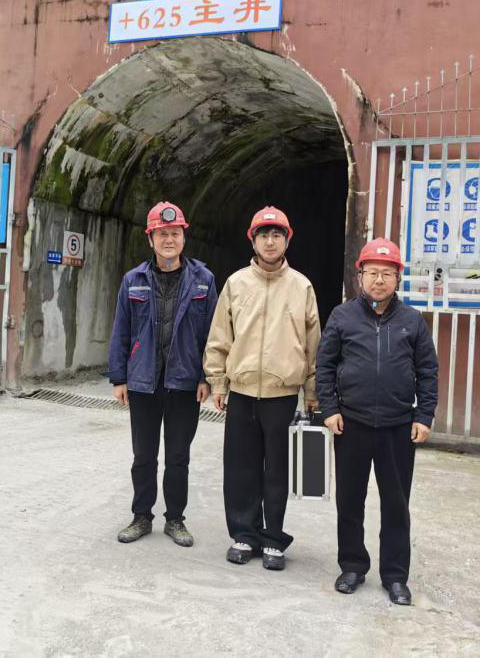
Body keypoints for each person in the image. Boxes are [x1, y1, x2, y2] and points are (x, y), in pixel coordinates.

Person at [315, 238, 438, 606]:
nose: (379, 280)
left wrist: (424, 415)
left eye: (387, 273)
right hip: (351, 424)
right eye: (372, 273)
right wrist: (330, 409)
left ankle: (396, 576)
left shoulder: (412, 321)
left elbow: (428, 371)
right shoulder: (342, 316)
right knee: (350, 501)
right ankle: (352, 566)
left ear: (398, 278)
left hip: (398, 426)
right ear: (360, 276)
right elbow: (325, 366)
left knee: (396, 505)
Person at [203, 206, 321, 571]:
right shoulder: (236, 284)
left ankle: (273, 538)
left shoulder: (301, 286)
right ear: (253, 242)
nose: (270, 242)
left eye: (277, 235)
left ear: (287, 240)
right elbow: (220, 337)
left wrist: (312, 391)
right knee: (241, 468)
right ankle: (244, 534)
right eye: (263, 236)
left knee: (278, 470)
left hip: (282, 394)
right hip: (241, 392)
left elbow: (314, 345)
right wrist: (218, 381)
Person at [108, 201, 217, 547]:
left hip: (184, 383)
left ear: (184, 237)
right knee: (143, 456)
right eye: (162, 234)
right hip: (143, 382)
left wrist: (207, 377)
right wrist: (119, 378)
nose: (169, 240)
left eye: (175, 233)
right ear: (150, 239)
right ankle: (141, 516)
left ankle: (175, 520)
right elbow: (121, 330)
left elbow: (212, 335)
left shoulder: (203, 280)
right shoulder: (134, 280)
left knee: (178, 457)